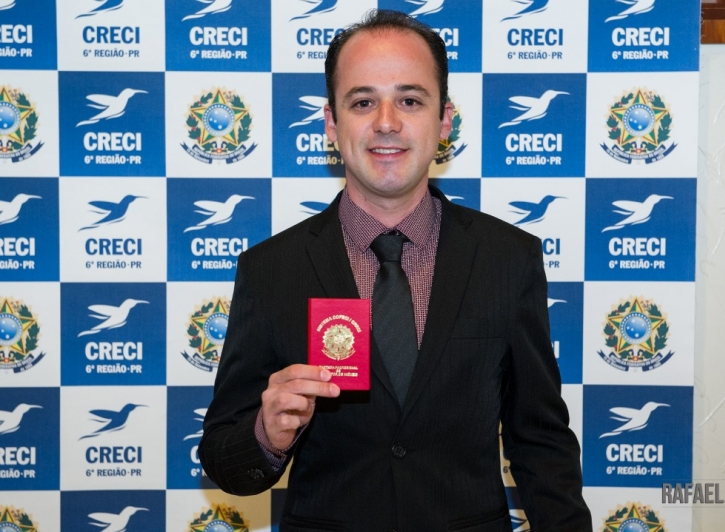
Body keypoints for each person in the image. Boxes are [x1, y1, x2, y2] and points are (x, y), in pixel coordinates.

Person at [199, 9, 591, 531]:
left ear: (444, 121)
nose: (386, 121)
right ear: (331, 124)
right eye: (363, 102)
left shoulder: (508, 258)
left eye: (410, 100)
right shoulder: (271, 269)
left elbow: (541, 441)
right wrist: (265, 436)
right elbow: (224, 461)